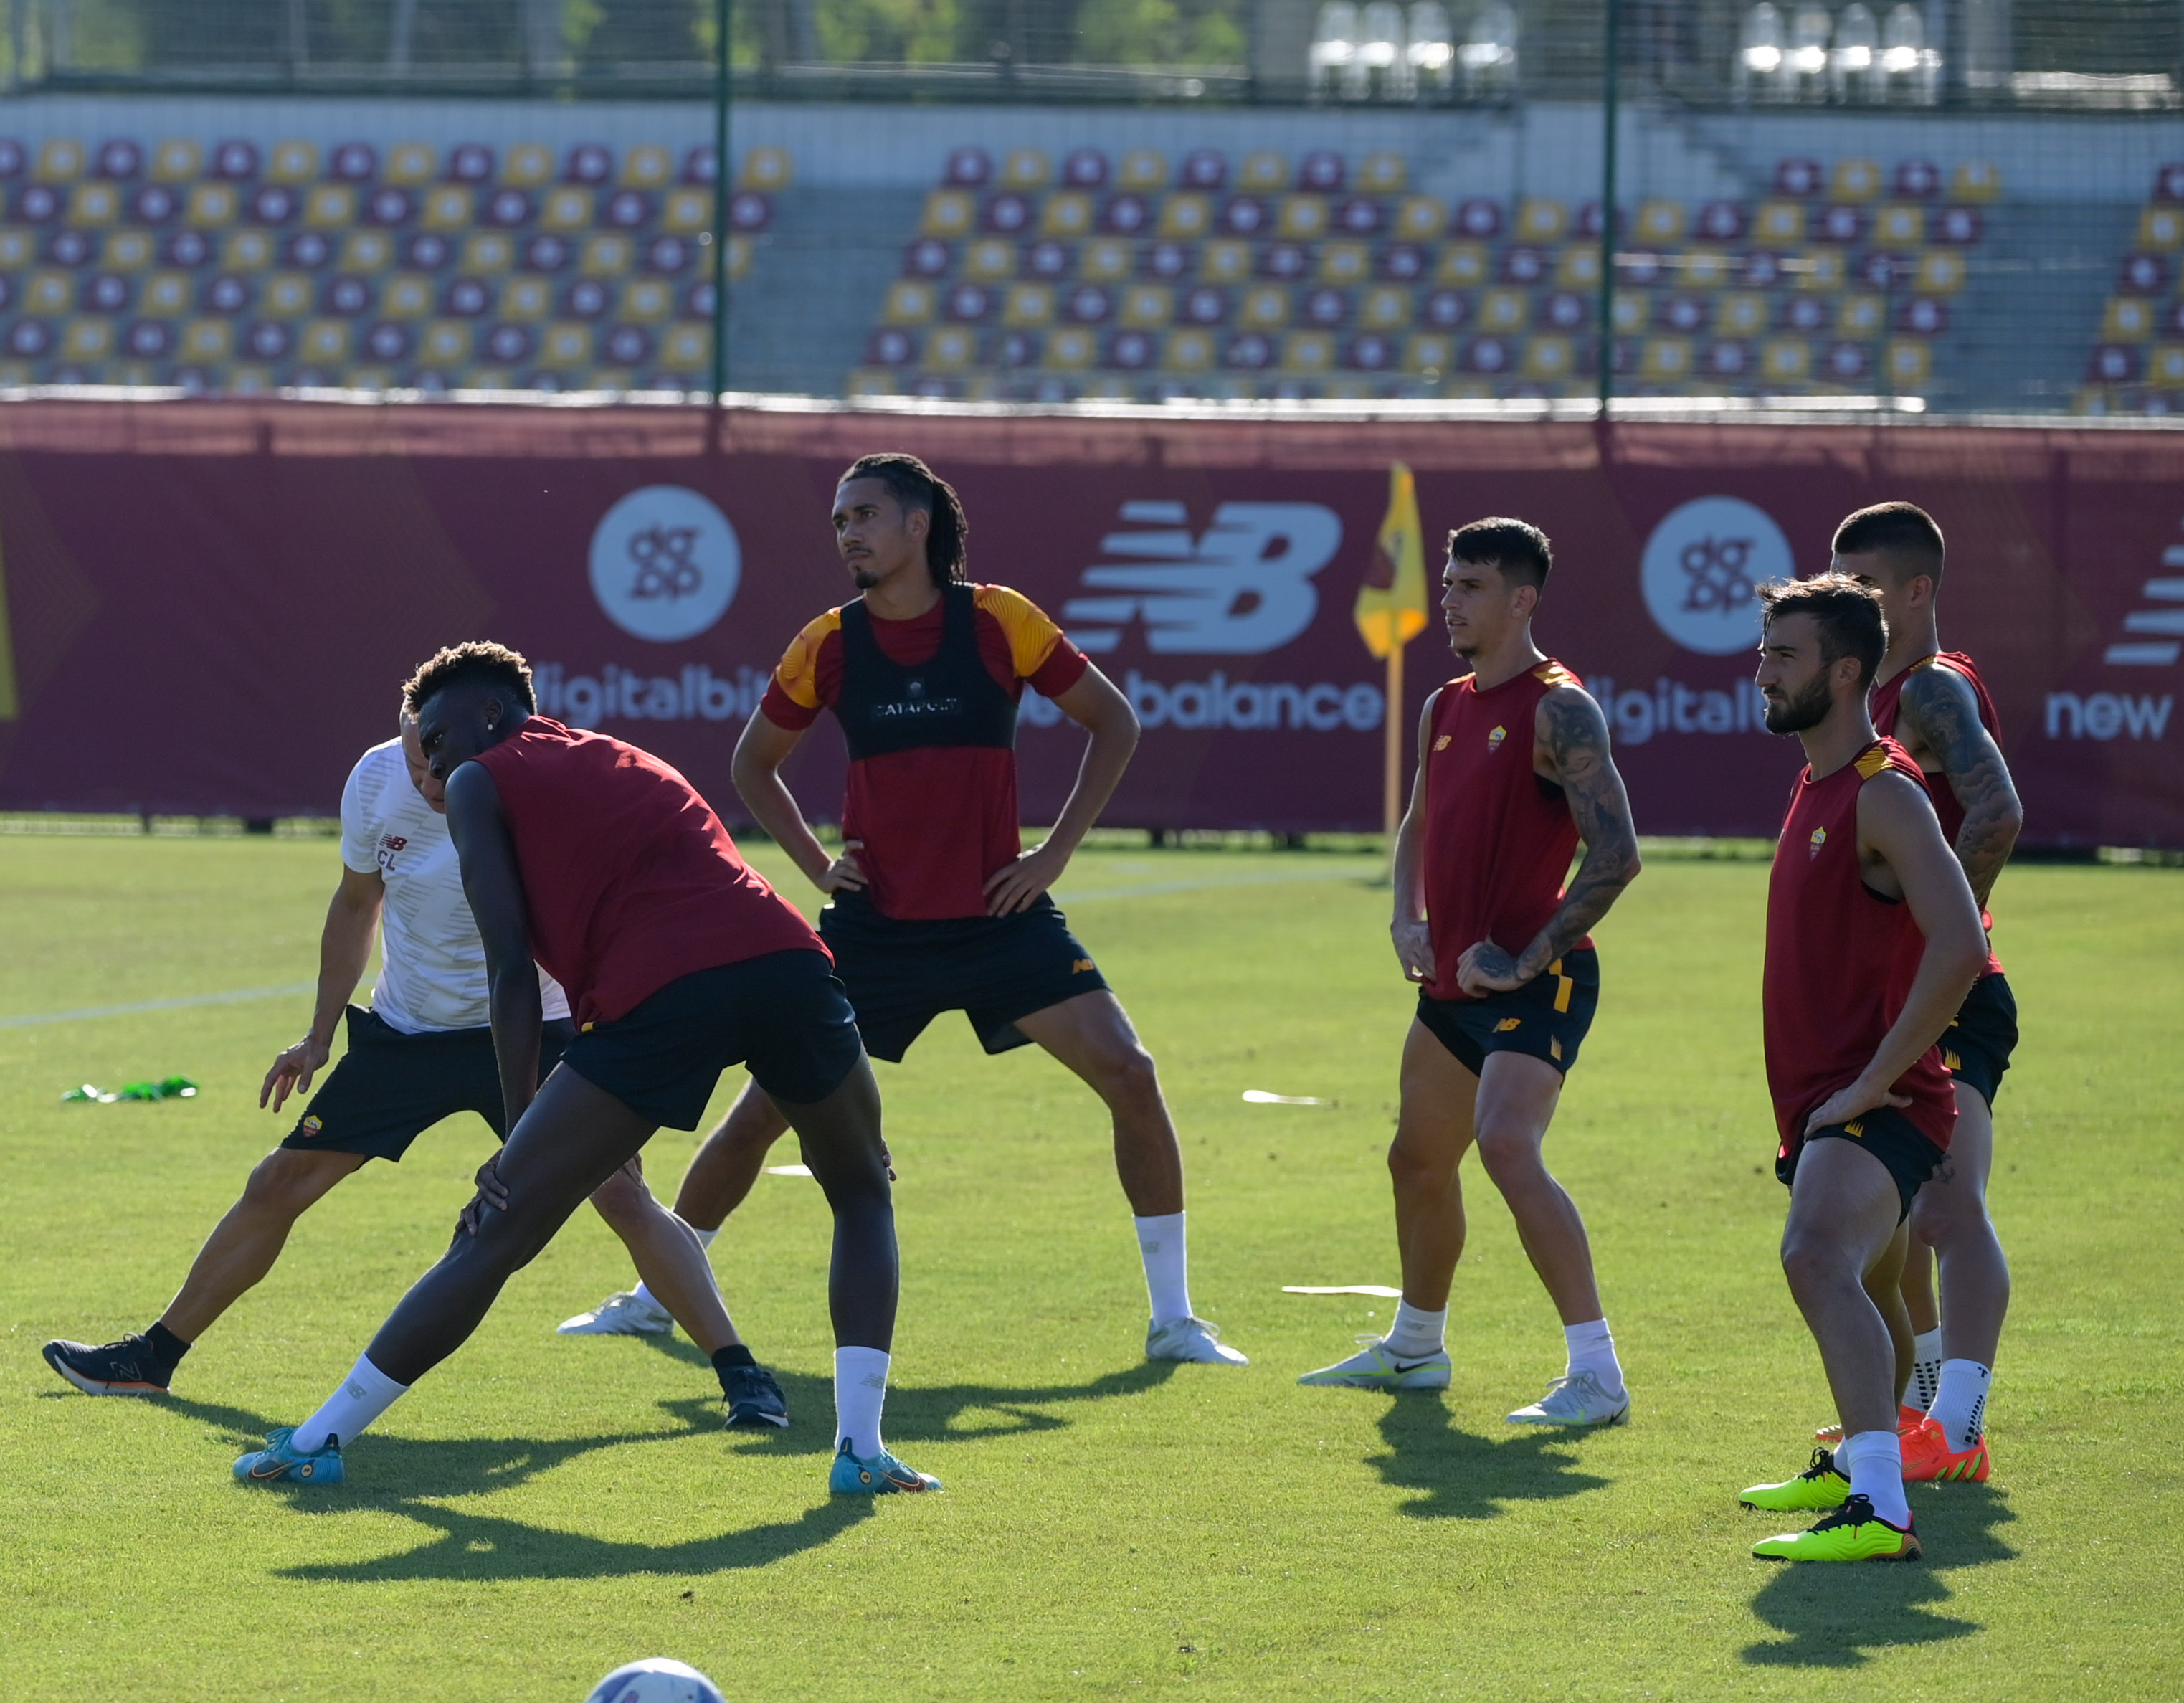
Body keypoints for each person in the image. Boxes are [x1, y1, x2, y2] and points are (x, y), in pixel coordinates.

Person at [557, 451, 1241, 1368]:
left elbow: (1112, 720)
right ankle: (653, 1296)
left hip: (999, 919)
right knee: (762, 1112)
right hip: (874, 931)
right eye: (840, 519)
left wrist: (1054, 851)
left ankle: (1173, 1321)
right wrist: (815, 864)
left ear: (918, 524)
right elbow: (750, 763)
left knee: (1129, 1070)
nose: (847, 533)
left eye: (864, 515)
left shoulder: (1000, 619)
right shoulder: (826, 642)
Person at [237, 644, 938, 1500]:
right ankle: (860, 1451)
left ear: (490, 716)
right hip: (789, 961)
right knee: (862, 1189)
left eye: (437, 738)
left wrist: (516, 1135)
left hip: (660, 992)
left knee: (496, 1225)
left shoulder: (475, 778)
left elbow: (508, 972)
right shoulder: (620, 753)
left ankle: (318, 1438)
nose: (429, 764)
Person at [43, 716, 784, 1430]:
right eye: (413, 743)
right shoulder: (373, 776)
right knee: (277, 1181)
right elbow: (357, 900)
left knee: (623, 1196)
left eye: (437, 746)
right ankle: (152, 1355)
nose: (425, 764)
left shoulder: (531, 781)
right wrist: (317, 1034)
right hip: (409, 1032)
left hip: (533, 1028)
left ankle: (740, 1372)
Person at [1302, 518, 1643, 1424]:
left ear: (1522, 599)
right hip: (1451, 985)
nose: (1448, 599)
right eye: (1448, 583)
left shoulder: (1559, 706)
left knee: (1503, 1145)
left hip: (1543, 975)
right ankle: (1415, 1347)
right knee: (1415, 1159)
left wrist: (1525, 956)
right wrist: (1403, 916)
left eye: (1470, 586)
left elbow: (1616, 855)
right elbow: (1416, 819)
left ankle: (1596, 1375)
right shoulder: (1442, 703)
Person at [1735, 576, 1987, 1564]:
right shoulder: (1815, 780)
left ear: (1845, 671)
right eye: (1763, 652)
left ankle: (1879, 1505)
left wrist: (1879, 1078)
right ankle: (1860, 1462)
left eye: (1783, 656)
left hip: (1877, 1103)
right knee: (1877, 1290)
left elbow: (1961, 943)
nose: (1763, 671)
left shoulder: (1886, 792)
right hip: (1822, 1101)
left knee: (1813, 1258)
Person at [1827, 501, 2024, 1482]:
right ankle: (1925, 1410)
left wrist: (1947, 937)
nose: (1845, 602)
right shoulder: (1893, 691)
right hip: (1904, 993)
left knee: (1948, 1211)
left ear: (1918, 592)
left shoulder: (1932, 690)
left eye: (1864, 586)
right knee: (1894, 1217)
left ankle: (1961, 1423)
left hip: (1951, 993)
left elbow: (1998, 807)